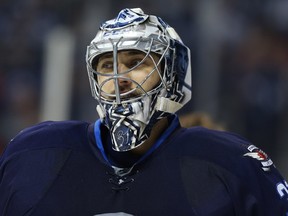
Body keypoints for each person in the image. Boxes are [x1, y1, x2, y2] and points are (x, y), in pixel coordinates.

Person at [0, 8, 287, 216]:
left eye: (137, 62)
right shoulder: (34, 155)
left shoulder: (231, 164)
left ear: (173, 74)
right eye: (105, 66)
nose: (119, 77)